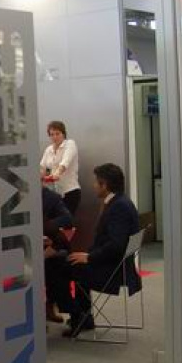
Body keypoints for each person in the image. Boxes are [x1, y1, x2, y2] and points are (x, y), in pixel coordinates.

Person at [65, 163, 141, 337]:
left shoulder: (119, 207)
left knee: (67, 267)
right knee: (72, 262)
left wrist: (89, 257)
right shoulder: (119, 202)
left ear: (104, 185)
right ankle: (84, 317)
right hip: (115, 262)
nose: (93, 185)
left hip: (114, 269)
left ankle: (79, 318)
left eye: (96, 182)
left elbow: (116, 245)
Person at [42, 187, 74, 323]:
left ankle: (50, 304)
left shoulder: (51, 197)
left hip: (46, 242)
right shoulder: (14, 195)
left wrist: (45, 226)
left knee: (58, 261)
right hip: (18, 242)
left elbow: (67, 219)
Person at [40, 121, 81, 216]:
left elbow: (65, 162)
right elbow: (42, 168)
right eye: (52, 134)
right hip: (55, 194)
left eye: (57, 134)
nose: (54, 137)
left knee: (65, 221)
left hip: (70, 191)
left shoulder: (70, 144)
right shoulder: (48, 149)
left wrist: (56, 174)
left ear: (63, 134)